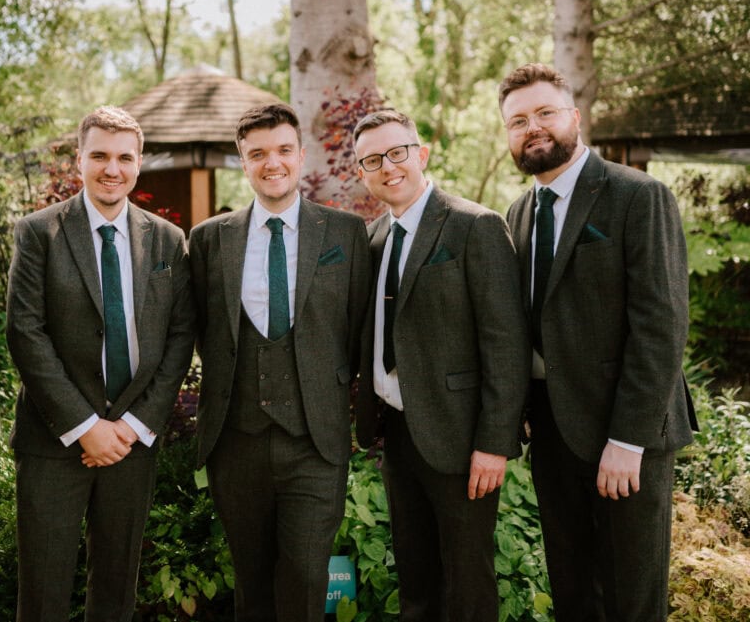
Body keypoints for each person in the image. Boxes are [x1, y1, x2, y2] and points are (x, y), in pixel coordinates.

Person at [499, 63, 696, 622]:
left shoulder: (637, 195)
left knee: (630, 595)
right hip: (553, 432)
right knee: (573, 587)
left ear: (574, 117)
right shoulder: (518, 214)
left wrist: (628, 440)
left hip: (624, 432)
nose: (532, 128)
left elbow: (661, 325)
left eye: (544, 113)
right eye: (518, 120)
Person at [6, 106, 196, 622]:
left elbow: (181, 338)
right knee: (43, 593)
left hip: (132, 444)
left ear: (139, 164)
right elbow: (25, 332)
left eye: (124, 158)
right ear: (80, 159)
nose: (112, 168)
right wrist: (86, 427)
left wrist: (132, 427)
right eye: (100, 156)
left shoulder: (168, 240)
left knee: (116, 591)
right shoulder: (38, 232)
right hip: (54, 440)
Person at [188, 103, 371, 621]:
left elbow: (360, 329)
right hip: (235, 441)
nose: (273, 163)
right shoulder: (208, 240)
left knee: (306, 579)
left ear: (300, 155)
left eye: (283, 150)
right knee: (252, 585)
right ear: (243, 163)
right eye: (258, 154)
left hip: (314, 441)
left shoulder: (345, 234)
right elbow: (198, 329)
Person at [352, 109, 529, 621]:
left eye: (397, 153)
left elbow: (506, 343)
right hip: (398, 433)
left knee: (467, 581)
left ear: (421, 154)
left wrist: (494, 444)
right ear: (362, 172)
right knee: (416, 577)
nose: (388, 167)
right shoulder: (374, 238)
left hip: (461, 438)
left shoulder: (475, 225)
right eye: (372, 160)